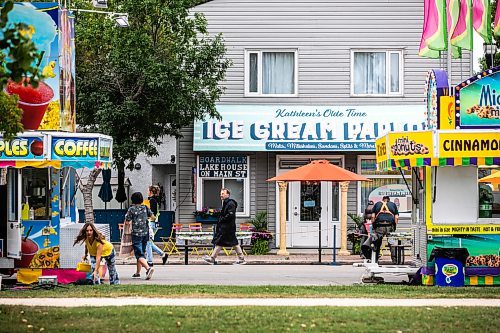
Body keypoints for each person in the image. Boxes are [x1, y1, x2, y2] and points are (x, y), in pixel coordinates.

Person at [203, 188, 246, 265]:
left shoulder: (230, 203)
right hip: (227, 227)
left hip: (227, 227)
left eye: (223, 193)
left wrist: (222, 219)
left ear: (228, 195)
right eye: (221, 193)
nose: (221, 195)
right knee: (233, 242)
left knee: (220, 242)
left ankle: (212, 258)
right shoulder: (226, 203)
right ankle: (241, 258)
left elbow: (230, 215)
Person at [125, 192, 155, 280]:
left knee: (138, 253)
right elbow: (153, 216)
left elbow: (127, 220)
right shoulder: (145, 207)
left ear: (132, 200)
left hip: (136, 234)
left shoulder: (131, 209)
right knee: (141, 252)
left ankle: (148, 268)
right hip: (145, 233)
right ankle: (138, 272)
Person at [369, 196, 399, 263]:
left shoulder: (377, 204)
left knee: (377, 243)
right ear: (389, 200)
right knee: (392, 243)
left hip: (379, 226)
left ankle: (375, 260)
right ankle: (394, 260)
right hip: (389, 226)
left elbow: (373, 216)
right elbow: (396, 218)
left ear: (382, 200)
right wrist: (394, 227)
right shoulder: (393, 204)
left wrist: (373, 226)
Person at [145, 185, 168, 266]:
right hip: (155, 223)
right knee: (149, 242)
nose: (147, 192)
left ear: (151, 192)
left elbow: (153, 213)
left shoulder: (152, 200)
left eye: (148, 191)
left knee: (148, 242)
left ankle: (150, 261)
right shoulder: (156, 200)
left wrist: (147, 217)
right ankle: (163, 255)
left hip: (152, 222)